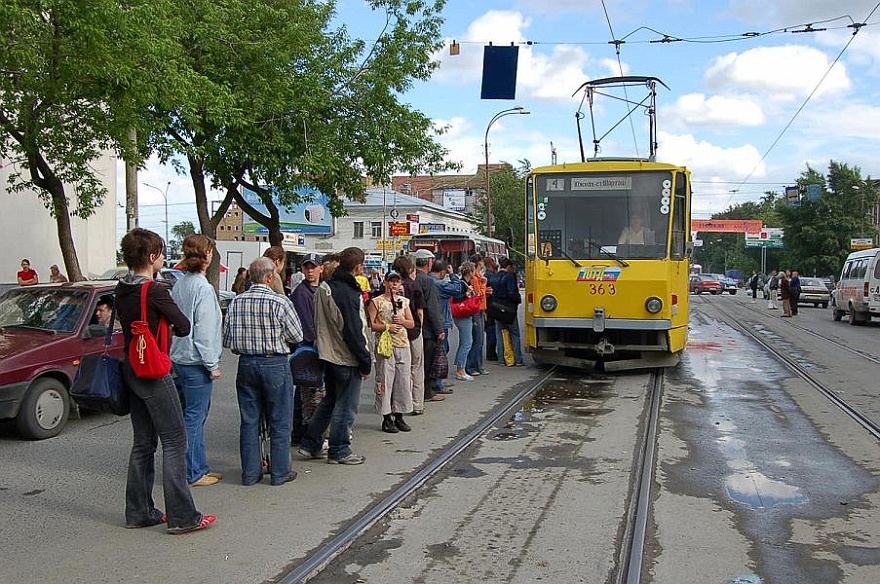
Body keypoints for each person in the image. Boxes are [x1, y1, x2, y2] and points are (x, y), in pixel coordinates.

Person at [116, 228, 215, 534]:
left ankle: (139, 510)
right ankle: (183, 516)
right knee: (175, 440)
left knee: (143, 443)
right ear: (151, 257)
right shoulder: (156, 291)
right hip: (155, 370)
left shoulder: (121, 288)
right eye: (159, 252)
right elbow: (184, 326)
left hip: (132, 366)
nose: (162, 258)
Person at [224, 256, 304, 486]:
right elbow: (297, 335)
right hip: (274, 364)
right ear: (270, 277)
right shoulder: (280, 302)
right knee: (280, 420)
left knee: (249, 420)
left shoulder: (237, 302)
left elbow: (228, 339)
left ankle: (250, 474)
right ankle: (280, 472)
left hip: (247, 363)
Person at [299, 247, 372, 465]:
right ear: (359, 267)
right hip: (345, 356)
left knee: (330, 400)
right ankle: (339, 449)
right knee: (346, 405)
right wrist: (365, 360)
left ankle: (311, 442)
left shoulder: (326, 286)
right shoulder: (348, 293)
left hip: (327, 352)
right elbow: (353, 331)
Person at [170, 234, 224, 488]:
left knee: (186, 418)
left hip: (180, 357)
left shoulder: (180, 284)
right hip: (195, 362)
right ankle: (193, 472)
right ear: (205, 256)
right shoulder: (202, 287)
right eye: (210, 251)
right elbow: (203, 329)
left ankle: (195, 467)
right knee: (194, 418)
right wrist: (212, 364)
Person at [367, 270, 415, 433]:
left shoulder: (403, 302)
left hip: (403, 344)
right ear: (385, 283)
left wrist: (402, 321)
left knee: (402, 380)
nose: (394, 284)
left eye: (397, 281)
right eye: (391, 281)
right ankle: (386, 417)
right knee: (385, 380)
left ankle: (399, 414)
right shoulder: (376, 302)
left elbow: (411, 323)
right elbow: (371, 324)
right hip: (385, 346)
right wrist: (387, 327)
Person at [289, 252, 323, 445]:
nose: (310, 271)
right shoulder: (301, 293)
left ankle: (300, 431)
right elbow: (306, 324)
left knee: (306, 390)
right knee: (308, 391)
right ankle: (303, 432)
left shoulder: (320, 289)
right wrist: (318, 343)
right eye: (307, 267)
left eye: (313, 267)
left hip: (317, 345)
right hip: (309, 347)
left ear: (320, 268)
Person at [393, 255, 426, 415]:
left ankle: (399, 403)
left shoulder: (392, 286)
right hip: (413, 331)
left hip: (396, 330)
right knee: (417, 367)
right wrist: (419, 327)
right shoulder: (414, 286)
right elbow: (420, 311)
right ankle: (416, 403)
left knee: (400, 368)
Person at [413, 249, 446, 404]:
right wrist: (439, 329)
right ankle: (427, 392)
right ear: (429, 262)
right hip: (427, 330)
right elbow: (433, 308)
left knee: (417, 363)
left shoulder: (412, 278)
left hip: (415, 327)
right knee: (428, 363)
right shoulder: (427, 281)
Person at [430, 259, 464, 389]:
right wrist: (453, 274)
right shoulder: (439, 283)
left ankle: (438, 382)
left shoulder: (429, 280)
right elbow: (457, 289)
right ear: (443, 271)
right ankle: (438, 384)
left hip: (436, 320)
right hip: (441, 321)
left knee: (442, 349)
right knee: (441, 351)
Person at [494, 257, 525, 366]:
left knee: (500, 333)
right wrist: (518, 300)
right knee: (514, 333)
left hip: (497, 308)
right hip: (509, 309)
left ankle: (502, 359)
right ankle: (518, 359)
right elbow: (512, 293)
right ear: (508, 267)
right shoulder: (509, 277)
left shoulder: (495, 276)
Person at [451, 262, 476, 381]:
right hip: (462, 316)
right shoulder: (462, 284)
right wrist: (467, 294)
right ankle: (460, 370)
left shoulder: (466, 283)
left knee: (464, 342)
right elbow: (456, 298)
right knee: (467, 342)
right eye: (473, 271)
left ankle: (460, 367)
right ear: (470, 272)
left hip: (465, 315)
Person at [466, 255, 490, 377]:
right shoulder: (475, 279)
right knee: (478, 340)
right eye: (481, 262)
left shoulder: (478, 277)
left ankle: (478, 366)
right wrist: (484, 287)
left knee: (479, 339)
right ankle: (471, 366)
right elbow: (478, 295)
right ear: (478, 263)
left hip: (480, 310)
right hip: (476, 310)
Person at [483, 257, 500, 362]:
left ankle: (491, 352)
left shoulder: (485, 276)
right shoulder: (492, 276)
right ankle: (492, 353)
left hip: (488, 306)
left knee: (490, 330)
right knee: (492, 330)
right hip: (492, 306)